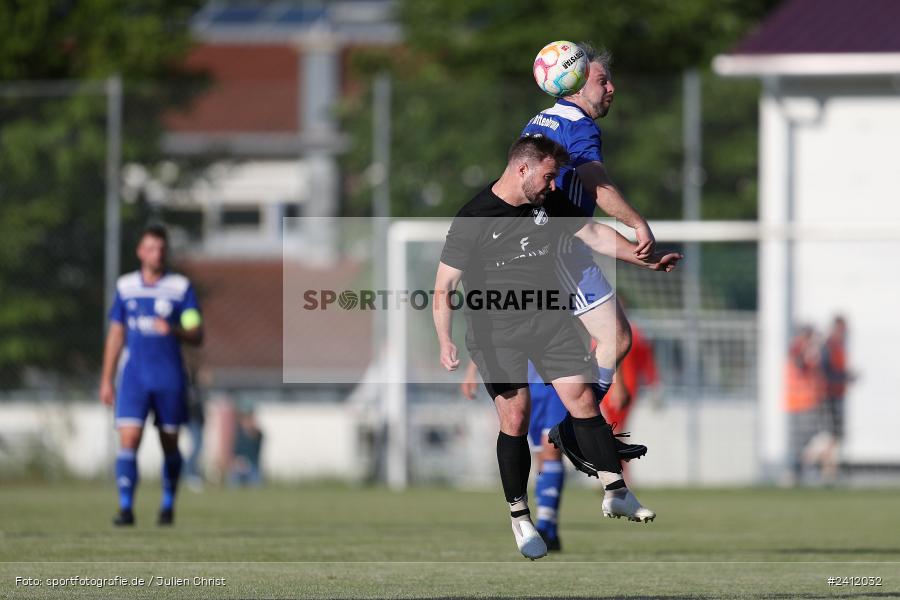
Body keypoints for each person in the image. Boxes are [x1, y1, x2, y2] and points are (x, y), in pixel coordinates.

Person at [435, 136, 681, 559]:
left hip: (548, 320)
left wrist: (646, 259)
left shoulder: (547, 204)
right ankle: (520, 517)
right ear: (522, 170)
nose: (554, 185)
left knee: (583, 398)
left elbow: (595, 235)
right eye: (549, 176)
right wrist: (444, 340)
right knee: (516, 417)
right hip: (496, 330)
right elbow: (444, 286)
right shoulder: (475, 215)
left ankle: (616, 490)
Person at [99, 224, 204, 526]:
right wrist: (106, 378)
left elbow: (197, 333)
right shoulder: (125, 287)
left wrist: (174, 329)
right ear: (140, 252)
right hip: (134, 378)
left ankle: (168, 505)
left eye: (161, 248)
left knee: (170, 442)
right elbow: (116, 334)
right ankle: (125, 508)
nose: (157, 254)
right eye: (151, 248)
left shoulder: (180, 289)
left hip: (169, 377)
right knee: (129, 438)